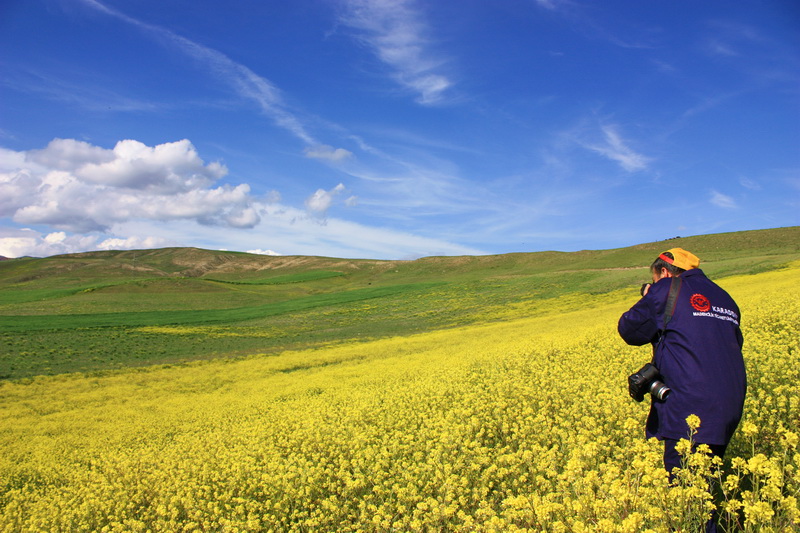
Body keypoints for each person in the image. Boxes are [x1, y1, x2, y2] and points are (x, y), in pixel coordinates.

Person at [618, 248, 747, 479]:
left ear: (665, 272)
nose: (654, 283)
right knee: (704, 479)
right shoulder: (724, 297)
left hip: (689, 404)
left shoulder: (666, 288)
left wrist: (649, 297)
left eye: (654, 279)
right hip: (729, 405)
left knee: (685, 489)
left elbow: (629, 330)